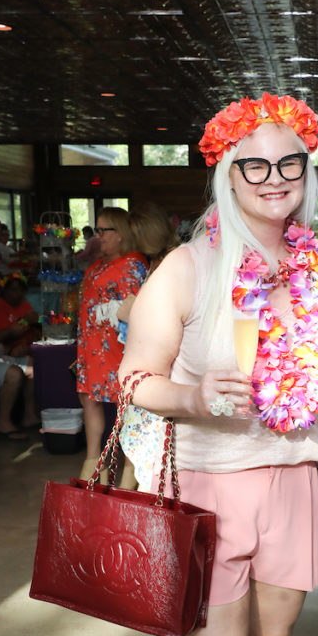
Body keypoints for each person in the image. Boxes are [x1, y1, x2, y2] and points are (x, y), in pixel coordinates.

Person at [118, 92, 318, 636]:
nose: (274, 179)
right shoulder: (188, 266)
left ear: (306, 171)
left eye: (289, 163)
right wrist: (194, 395)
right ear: (227, 175)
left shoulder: (314, 267)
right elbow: (133, 381)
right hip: (207, 493)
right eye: (254, 165)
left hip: (293, 480)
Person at [76, 206, 147, 484]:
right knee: (90, 400)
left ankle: (130, 469)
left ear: (121, 234)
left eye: (104, 230)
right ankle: (94, 463)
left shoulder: (133, 264)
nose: (99, 236)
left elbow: (137, 308)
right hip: (91, 345)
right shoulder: (96, 266)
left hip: (118, 346)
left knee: (127, 405)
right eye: (97, 230)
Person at [117, 203, 180, 489]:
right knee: (140, 450)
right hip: (145, 364)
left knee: (153, 454)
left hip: (161, 370)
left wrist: (132, 313)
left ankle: (141, 503)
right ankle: (132, 500)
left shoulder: (173, 264)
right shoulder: (154, 262)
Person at [0, 269, 40, 439]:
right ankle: (3, 422)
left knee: (31, 365)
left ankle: (29, 415)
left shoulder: (24, 305)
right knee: (14, 373)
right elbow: (3, 334)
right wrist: (12, 331)